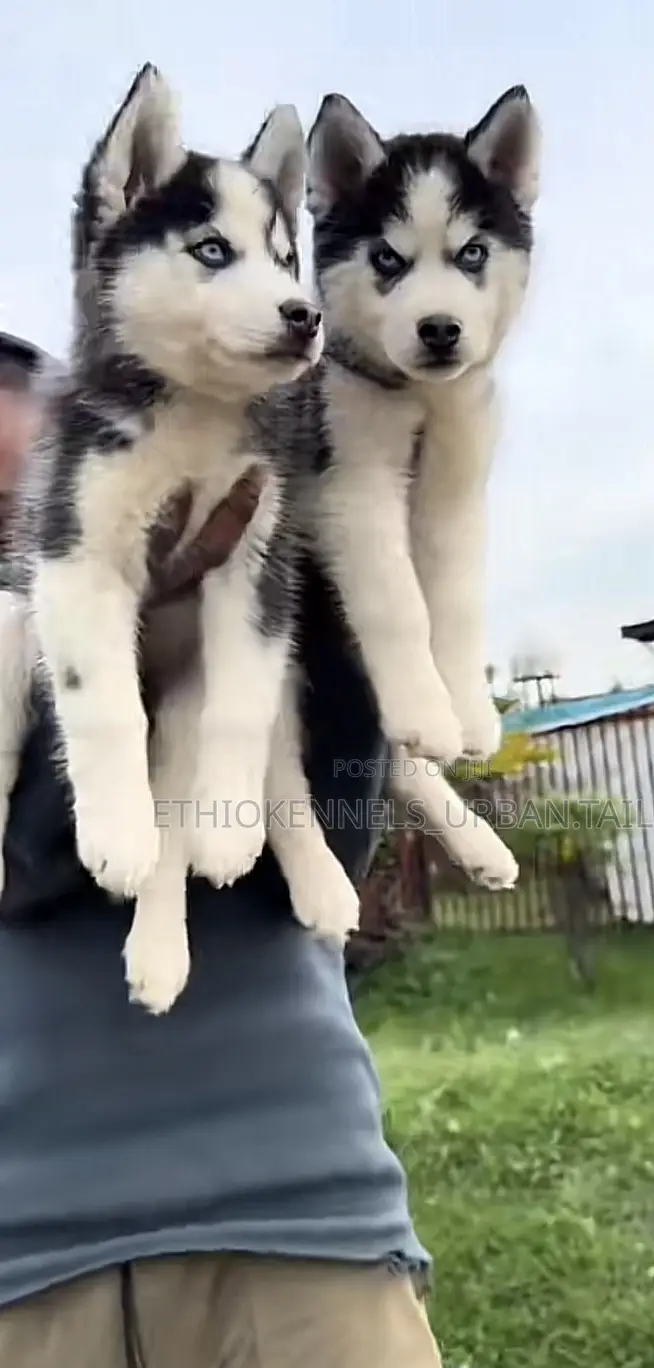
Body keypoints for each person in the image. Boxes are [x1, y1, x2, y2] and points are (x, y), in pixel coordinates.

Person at [0, 335, 439, 1366]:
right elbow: (30, 871)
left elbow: (329, 830)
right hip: (26, 1266)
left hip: (305, 1229)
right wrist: (125, 659)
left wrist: (328, 576)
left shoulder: (241, 596)